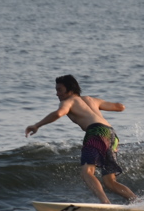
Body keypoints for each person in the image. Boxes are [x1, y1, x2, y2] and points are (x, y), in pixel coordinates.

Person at [25, 75, 138, 204]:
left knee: (86, 172)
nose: (57, 94)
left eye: (60, 90)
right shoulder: (91, 100)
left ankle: (105, 203)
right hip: (112, 134)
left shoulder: (68, 101)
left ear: (70, 90)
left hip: (96, 132)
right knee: (110, 181)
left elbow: (58, 113)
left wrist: (36, 125)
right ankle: (136, 201)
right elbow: (120, 107)